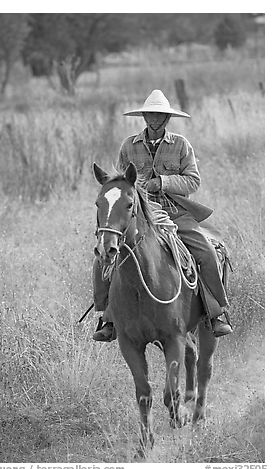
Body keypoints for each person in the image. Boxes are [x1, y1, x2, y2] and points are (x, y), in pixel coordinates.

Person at [93, 89, 232, 341]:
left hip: (176, 213)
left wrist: (163, 182)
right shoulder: (128, 146)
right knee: (103, 256)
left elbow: (193, 181)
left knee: (207, 253)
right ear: (144, 116)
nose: (154, 119)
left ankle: (216, 312)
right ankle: (107, 318)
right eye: (150, 114)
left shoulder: (180, 145)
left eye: (159, 115)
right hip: (140, 216)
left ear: (167, 118)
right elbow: (122, 183)